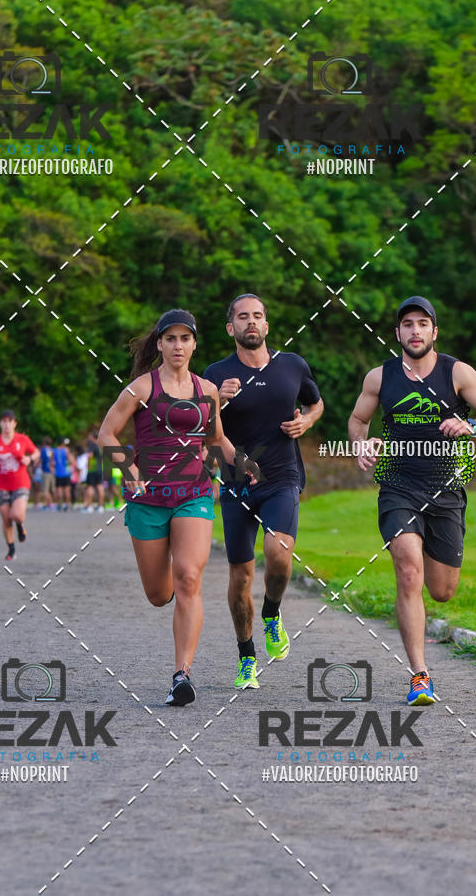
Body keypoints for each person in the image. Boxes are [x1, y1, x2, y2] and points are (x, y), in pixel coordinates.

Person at [98, 308, 260, 706]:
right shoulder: (141, 388)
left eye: (184, 338)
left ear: (194, 344)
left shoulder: (207, 389)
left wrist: (240, 463)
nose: (177, 345)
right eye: (169, 338)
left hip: (193, 492)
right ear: (160, 344)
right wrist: (128, 467)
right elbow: (106, 434)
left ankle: (182, 675)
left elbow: (216, 437)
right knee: (159, 593)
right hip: (148, 499)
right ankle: (167, 593)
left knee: (189, 577)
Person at [348, 296, 476, 705]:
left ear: (434, 332)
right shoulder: (380, 377)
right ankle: (420, 675)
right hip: (398, 485)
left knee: (441, 590)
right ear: (397, 334)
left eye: (422, 324)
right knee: (408, 572)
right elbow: (358, 421)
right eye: (407, 324)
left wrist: (470, 423)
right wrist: (360, 444)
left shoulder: (457, 373)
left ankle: (425, 580)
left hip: (446, 491)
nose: (415, 331)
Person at [203, 294, 324, 690]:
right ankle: (246, 657)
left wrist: (305, 421)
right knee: (240, 576)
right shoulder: (215, 374)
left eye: (257, 316)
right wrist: (218, 400)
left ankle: (272, 612)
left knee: (278, 553)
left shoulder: (292, 365)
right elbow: (200, 429)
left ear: (267, 325)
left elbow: (316, 403)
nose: (250, 322)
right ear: (230, 328)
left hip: (282, 477)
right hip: (237, 485)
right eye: (242, 317)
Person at [0, 410, 39, 560]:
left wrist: (29, 458)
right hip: (2, 485)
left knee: (17, 515)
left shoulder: (22, 439)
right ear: (0, 423)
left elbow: (36, 452)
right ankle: (11, 549)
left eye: (9, 421)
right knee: (6, 520)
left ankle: (20, 525)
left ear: (15, 423)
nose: (6, 424)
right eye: (4, 421)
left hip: (21, 483)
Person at [83, 431, 105, 513]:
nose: (88, 438)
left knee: (90, 487)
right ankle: (101, 506)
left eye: (89, 436)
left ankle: (89, 506)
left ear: (93, 437)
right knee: (100, 487)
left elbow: (90, 456)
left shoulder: (92, 445)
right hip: (100, 469)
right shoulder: (100, 446)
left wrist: (88, 465)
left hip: (92, 469)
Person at [53, 437, 73, 511]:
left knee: (59, 490)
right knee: (67, 490)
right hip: (65, 472)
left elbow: (52, 462)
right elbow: (70, 460)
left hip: (58, 472)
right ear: (62, 443)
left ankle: (59, 505)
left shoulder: (54, 451)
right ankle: (67, 505)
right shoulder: (66, 450)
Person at [39, 436, 55, 509]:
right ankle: (47, 503)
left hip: (45, 471)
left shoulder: (43, 450)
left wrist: (36, 466)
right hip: (52, 471)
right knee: (50, 489)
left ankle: (50, 504)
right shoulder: (52, 450)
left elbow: (41, 459)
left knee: (45, 490)